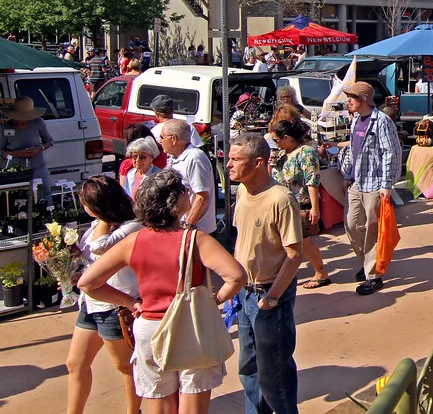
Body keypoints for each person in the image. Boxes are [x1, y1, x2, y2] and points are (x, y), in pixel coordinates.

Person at [78, 170, 246, 414]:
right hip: (191, 326)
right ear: (175, 203)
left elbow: (87, 283)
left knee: (159, 401)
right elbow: (236, 276)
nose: (188, 195)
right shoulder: (195, 239)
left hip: (150, 327)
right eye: (184, 192)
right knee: (193, 401)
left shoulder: (133, 241)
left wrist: (128, 302)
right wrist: (215, 300)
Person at [228, 133, 304, 414]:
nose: (228, 165)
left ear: (258, 162)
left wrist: (272, 298)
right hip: (245, 293)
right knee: (248, 367)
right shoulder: (241, 191)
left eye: (236, 159)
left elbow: (295, 255)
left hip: (270, 294)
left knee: (274, 373)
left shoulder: (280, 199)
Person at [65, 176, 143, 414]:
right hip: (91, 304)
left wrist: (104, 219)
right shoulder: (97, 224)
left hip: (117, 305)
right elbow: (91, 258)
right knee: (75, 363)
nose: (83, 207)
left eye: (85, 202)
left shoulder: (131, 225)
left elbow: (100, 247)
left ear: (99, 204)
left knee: (125, 366)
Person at [339, 81, 401, 295]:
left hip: (375, 183)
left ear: (364, 99)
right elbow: (353, 150)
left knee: (373, 228)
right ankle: (367, 262)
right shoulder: (355, 120)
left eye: (352, 97)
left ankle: (373, 275)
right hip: (356, 181)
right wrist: (347, 174)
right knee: (351, 224)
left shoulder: (382, 121)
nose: (349, 101)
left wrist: (386, 185)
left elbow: (391, 153)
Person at [269, 116, 331, 289]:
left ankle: (320, 272)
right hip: (281, 204)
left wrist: (315, 208)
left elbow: (312, 181)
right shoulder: (281, 154)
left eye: (276, 140)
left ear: (286, 137)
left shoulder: (306, 152)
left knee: (303, 242)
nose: (275, 144)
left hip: (299, 204)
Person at [160, 119, 217, 234]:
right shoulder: (175, 158)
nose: (160, 141)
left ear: (174, 139)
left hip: (197, 232)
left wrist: (187, 226)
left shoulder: (195, 159)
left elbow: (202, 198)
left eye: (162, 137)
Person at [0, 97, 55, 205]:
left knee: (44, 198)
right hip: (15, 173)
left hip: (38, 168)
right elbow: (1, 153)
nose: (23, 122)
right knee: (19, 202)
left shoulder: (38, 122)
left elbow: (49, 141)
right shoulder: (4, 128)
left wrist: (39, 149)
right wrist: (18, 153)